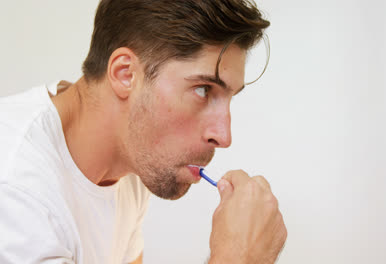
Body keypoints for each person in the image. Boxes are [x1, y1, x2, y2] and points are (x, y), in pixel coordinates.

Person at [0, 0, 287, 263]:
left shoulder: (131, 159)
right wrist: (239, 256)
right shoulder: (15, 190)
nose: (224, 136)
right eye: (203, 90)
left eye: (229, 97)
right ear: (126, 74)